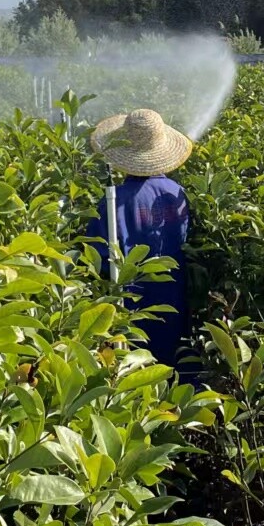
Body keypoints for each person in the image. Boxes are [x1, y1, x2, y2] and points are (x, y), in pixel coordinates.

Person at [85, 108, 195, 376]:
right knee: (167, 370)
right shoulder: (176, 193)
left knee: (133, 373)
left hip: (131, 302)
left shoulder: (115, 201)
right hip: (172, 296)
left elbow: (96, 256)